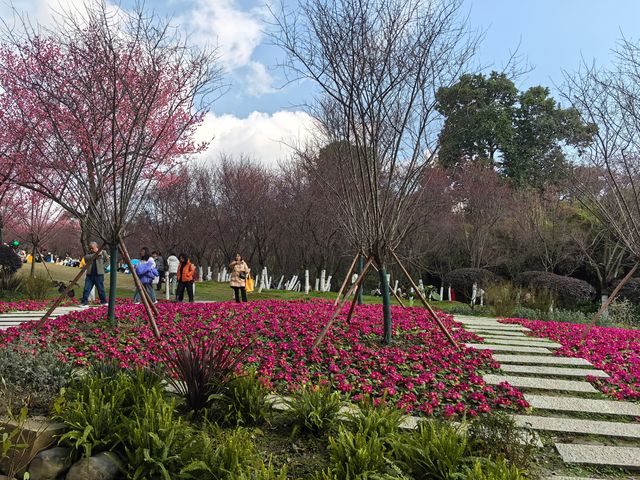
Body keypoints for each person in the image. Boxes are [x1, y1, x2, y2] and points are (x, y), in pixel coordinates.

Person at [80, 241, 109, 307]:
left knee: (100, 289)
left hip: (99, 274)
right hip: (90, 274)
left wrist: (103, 267)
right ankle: (84, 302)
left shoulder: (103, 252)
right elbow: (86, 258)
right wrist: (96, 254)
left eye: (92, 248)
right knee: (86, 289)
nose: (91, 249)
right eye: (90, 248)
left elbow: (107, 261)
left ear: (96, 247)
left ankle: (103, 302)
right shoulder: (89, 254)